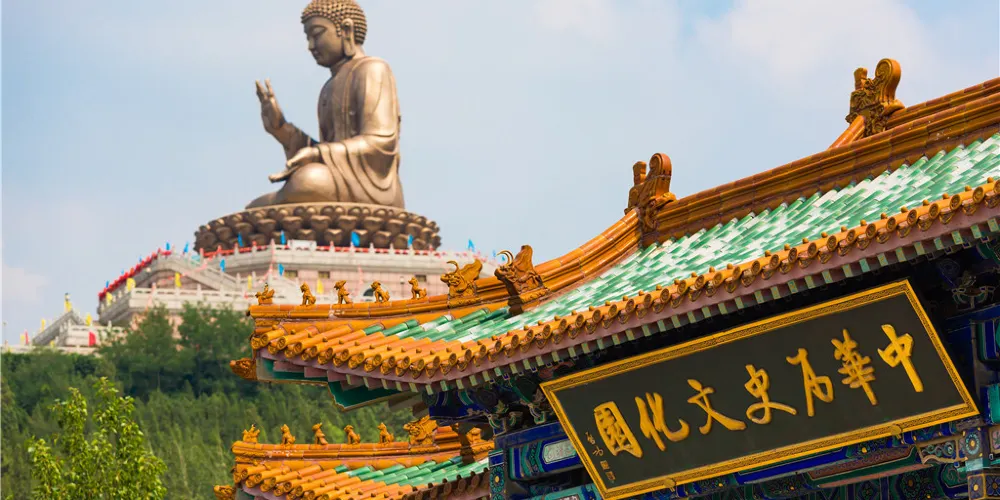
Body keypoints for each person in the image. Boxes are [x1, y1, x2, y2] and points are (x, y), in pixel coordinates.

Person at [247, 0, 404, 209]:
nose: (311, 46)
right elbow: (328, 152)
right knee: (304, 180)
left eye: (317, 34)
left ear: (346, 30)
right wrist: (281, 129)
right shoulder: (328, 88)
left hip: (372, 185)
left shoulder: (373, 69)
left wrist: (317, 154)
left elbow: (381, 141)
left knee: (308, 180)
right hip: (338, 177)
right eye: (308, 38)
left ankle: (282, 200)